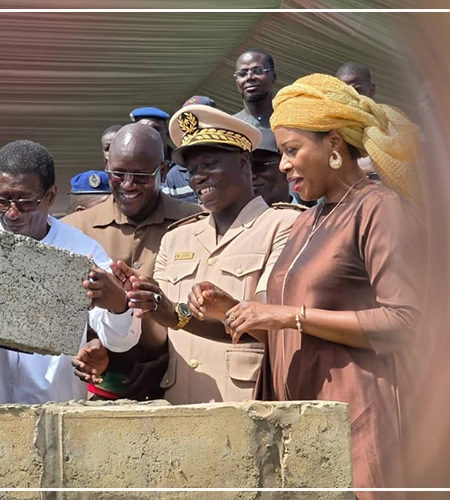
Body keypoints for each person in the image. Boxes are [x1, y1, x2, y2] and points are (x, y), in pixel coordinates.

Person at [193, 73, 422, 498]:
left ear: (333, 144)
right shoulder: (308, 219)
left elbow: (405, 320)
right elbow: (291, 331)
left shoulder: (380, 210)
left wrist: (287, 316)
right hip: (301, 425)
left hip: (357, 426)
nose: (282, 165)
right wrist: (233, 308)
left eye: (292, 150)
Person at [83, 105, 300, 405]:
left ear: (243, 161)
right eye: (193, 170)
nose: (198, 177)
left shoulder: (285, 226)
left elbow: (270, 325)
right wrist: (128, 302)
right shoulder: (176, 238)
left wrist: (177, 315)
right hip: (180, 410)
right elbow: (158, 335)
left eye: (209, 164)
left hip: (249, 407)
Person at [0, 140, 141, 405]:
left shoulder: (81, 250)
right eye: (2, 201)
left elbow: (119, 341)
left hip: (51, 406)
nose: (12, 213)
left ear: (50, 196)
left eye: (25, 202)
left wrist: (117, 305)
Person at [61, 124, 199, 400]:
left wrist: (168, 363)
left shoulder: (196, 224)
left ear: (162, 171)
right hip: (96, 392)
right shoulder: (73, 230)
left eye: (140, 175)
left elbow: (201, 307)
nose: (127, 184)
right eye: (118, 173)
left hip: (178, 390)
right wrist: (96, 347)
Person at [131, 106, 196, 204]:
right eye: (142, 131)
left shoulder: (186, 167)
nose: (149, 135)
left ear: (168, 134)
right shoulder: (127, 174)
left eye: (155, 129)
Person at [335, 62, 381, 179]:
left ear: (371, 90)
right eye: (344, 92)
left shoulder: (388, 126)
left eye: (357, 91)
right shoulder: (330, 129)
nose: (351, 97)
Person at [232, 48, 277, 129]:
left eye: (258, 71)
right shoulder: (229, 127)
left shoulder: (289, 121)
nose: (249, 77)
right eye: (242, 74)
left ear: (273, 77)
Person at [250, 125, 294, 206]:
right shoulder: (234, 218)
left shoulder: (310, 217)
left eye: (259, 166)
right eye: (245, 167)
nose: (251, 175)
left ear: (286, 167)